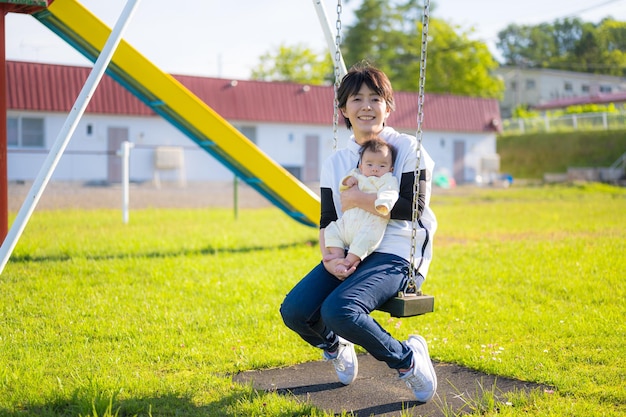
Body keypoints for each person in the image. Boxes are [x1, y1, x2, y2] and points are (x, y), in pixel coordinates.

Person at [280, 62, 438, 402]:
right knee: (294, 311)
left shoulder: (408, 148)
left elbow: (415, 207)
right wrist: (330, 257)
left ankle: (408, 361)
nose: (366, 106)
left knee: (339, 310)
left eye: (375, 98)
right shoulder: (336, 161)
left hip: (396, 253)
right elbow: (327, 218)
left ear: (388, 106)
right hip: (351, 250)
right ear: (344, 110)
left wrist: (360, 199)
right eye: (356, 99)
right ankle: (334, 345)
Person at [323, 138, 399, 276]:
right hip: (347, 224)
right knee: (332, 229)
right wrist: (347, 181)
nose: (375, 168)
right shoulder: (356, 174)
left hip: (370, 223)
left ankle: (349, 261)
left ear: (390, 169)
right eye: (369, 164)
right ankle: (337, 255)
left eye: (382, 166)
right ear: (361, 166)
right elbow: (342, 185)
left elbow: (390, 192)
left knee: (366, 238)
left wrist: (383, 203)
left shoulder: (387, 180)